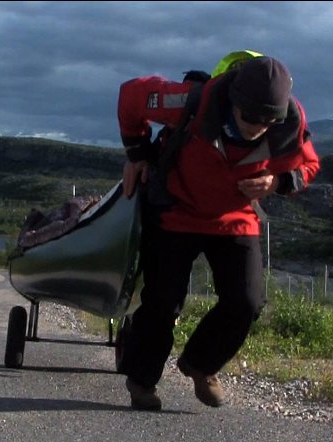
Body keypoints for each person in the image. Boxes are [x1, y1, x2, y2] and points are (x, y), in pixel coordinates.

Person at [116, 55, 321, 410]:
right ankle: (142, 381)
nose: (258, 127)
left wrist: (278, 181)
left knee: (246, 302)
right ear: (233, 102)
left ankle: (200, 365)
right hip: (176, 211)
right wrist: (138, 153)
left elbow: (309, 165)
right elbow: (131, 97)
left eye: (268, 120)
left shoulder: (289, 125)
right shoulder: (190, 101)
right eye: (250, 118)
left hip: (235, 217)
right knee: (163, 302)